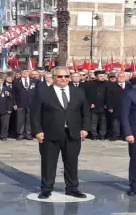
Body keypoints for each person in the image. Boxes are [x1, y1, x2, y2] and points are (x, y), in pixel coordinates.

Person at [31, 66, 91, 199]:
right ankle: (46, 188)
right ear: (53, 78)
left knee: (71, 161)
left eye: (66, 76)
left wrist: (85, 128)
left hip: (72, 133)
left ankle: (72, 188)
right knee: (48, 162)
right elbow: (35, 114)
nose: (63, 79)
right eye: (60, 76)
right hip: (49, 133)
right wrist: (37, 130)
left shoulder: (78, 92)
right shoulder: (43, 92)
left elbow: (86, 112)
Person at [12, 70, 36, 140]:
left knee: (29, 119)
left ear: (29, 73)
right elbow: (13, 93)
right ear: (21, 73)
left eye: (26, 72)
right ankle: (20, 134)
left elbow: (37, 93)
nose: (25, 73)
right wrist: (14, 103)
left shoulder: (34, 81)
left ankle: (28, 133)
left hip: (31, 103)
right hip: (20, 103)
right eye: (23, 72)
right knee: (20, 119)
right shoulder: (16, 81)